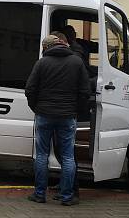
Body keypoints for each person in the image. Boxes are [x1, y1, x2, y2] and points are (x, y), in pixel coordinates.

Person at [25, 33, 91, 205]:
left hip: (44, 115)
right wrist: (75, 110)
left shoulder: (42, 63)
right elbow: (85, 91)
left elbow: (30, 89)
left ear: (47, 47)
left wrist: (37, 108)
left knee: (42, 155)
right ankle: (67, 196)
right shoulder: (77, 62)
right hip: (67, 116)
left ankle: (39, 194)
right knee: (68, 156)